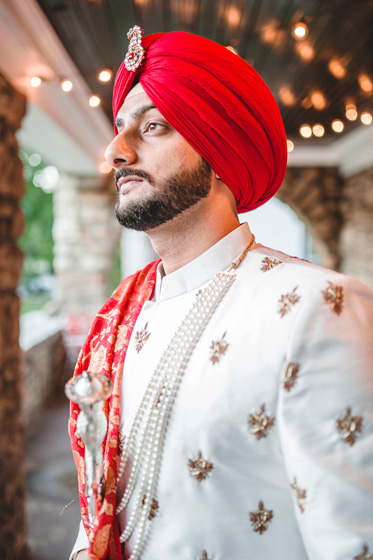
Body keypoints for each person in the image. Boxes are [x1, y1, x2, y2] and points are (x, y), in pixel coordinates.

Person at [69, 27, 373, 560]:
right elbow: (102, 504)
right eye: (119, 129)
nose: (117, 150)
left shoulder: (319, 307)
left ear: (219, 144)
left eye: (153, 126)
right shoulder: (122, 316)